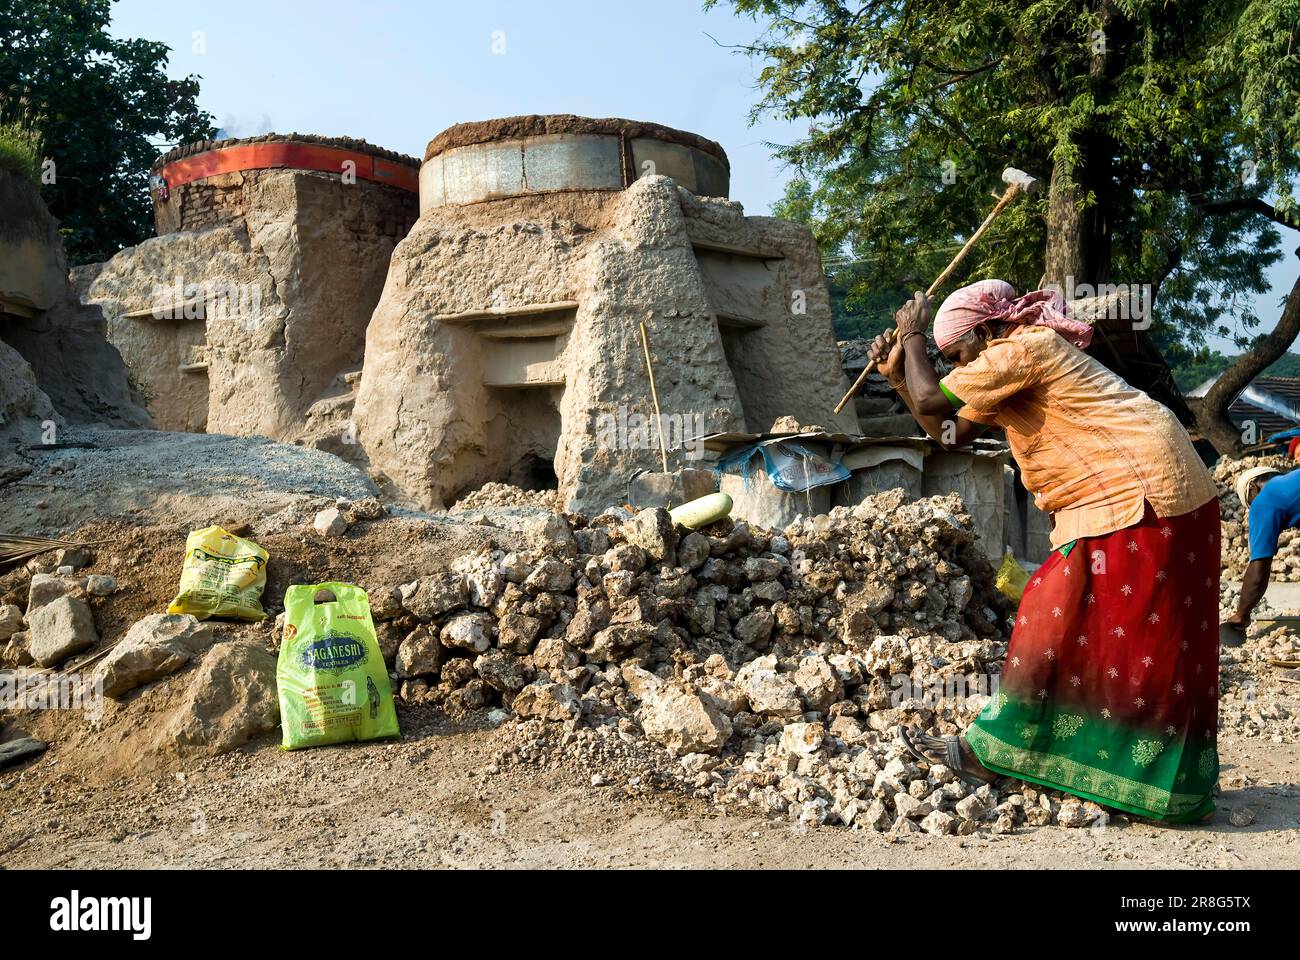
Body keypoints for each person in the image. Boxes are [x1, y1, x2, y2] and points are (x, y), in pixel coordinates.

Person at [873, 279, 1222, 823]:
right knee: (1130, 633)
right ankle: (1124, 778)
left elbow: (931, 398)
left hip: (1141, 491)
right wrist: (900, 375)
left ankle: (999, 756)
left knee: (1070, 615)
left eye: (958, 355)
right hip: (1151, 493)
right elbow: (950, 434)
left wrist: (913, 337)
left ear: (988, 331)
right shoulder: (1010, 360)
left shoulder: (1024, 348)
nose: (956, 368)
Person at [1221, 465, 1300, 639]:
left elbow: (1258, 569)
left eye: (1250, 502)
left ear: (1253, 488)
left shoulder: (1263, 500)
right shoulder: (1290, 484)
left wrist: (1241, 614)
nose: (1253, 507)